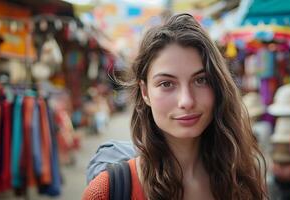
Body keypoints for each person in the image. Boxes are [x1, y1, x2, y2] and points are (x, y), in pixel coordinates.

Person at [82, 13, 266, 200]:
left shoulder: (243, 182)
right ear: (145, 92)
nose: (186, 101)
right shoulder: (106, 191)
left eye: (201, 80)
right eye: (167, 84)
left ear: (218, 86)